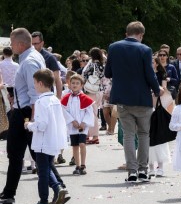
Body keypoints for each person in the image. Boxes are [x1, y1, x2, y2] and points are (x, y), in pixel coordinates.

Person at [105, 21, 163, 183]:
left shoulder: (113, 47)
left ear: (127, 33)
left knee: (129, 135)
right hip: (142, 98)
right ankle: (143, 170)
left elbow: (108, 72)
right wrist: (157, 90)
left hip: (122, 98)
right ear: (141, 35)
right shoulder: (145, 50)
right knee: (144, 134)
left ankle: (131, 171)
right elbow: (150, 75)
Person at [0, 28, 46, 204]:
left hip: (26, 112)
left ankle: (59, 187)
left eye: (12, 43)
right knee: (18, 153)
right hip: (24, 110)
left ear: (19, 44)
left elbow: (35, 93)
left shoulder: (29, 62)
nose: (11, 47)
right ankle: (9, 192)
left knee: (32, 153)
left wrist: (32, 120)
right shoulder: (30, 57)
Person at [24, 69, 69, 204]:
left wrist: (29, 125)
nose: (34, 86)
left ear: (41, 83)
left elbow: (41, 125)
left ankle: (43, 200)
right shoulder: (55, 99)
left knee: (42, 172)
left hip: (43, 142)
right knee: (47, 168)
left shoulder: (41, 101)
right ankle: (58, 188)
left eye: (35, 83)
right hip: (53, 140)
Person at [61, 74, 95, 175]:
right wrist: (72, 121)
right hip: (72, 126)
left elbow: (89, 112)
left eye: (77, 83)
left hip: (82, 126)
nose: (75, 85)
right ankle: (77, 165)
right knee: (75, 146)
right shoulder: (66, 98)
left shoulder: (85, 98)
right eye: (73, 83)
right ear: (69, 84)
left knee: (82, 144)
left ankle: (83, 165)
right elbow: (64, 111)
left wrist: (84, 123)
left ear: (81, 85)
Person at [82, 47, 105, 144]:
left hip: (91, 91)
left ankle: (92, 136)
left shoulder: (91, 65)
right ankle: (93, 135)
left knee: (90, 113)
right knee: (94, 113)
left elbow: (85, 76)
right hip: (99, 90)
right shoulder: (101, 65)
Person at [31, 32, 63, 99]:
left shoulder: (50, 57)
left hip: (46, 97)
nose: (33, 46)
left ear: (42, 43)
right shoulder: (28, 56)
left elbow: (57, 79)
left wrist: (59, 98)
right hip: (31, 96)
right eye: (31, 44)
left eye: (35, 44)